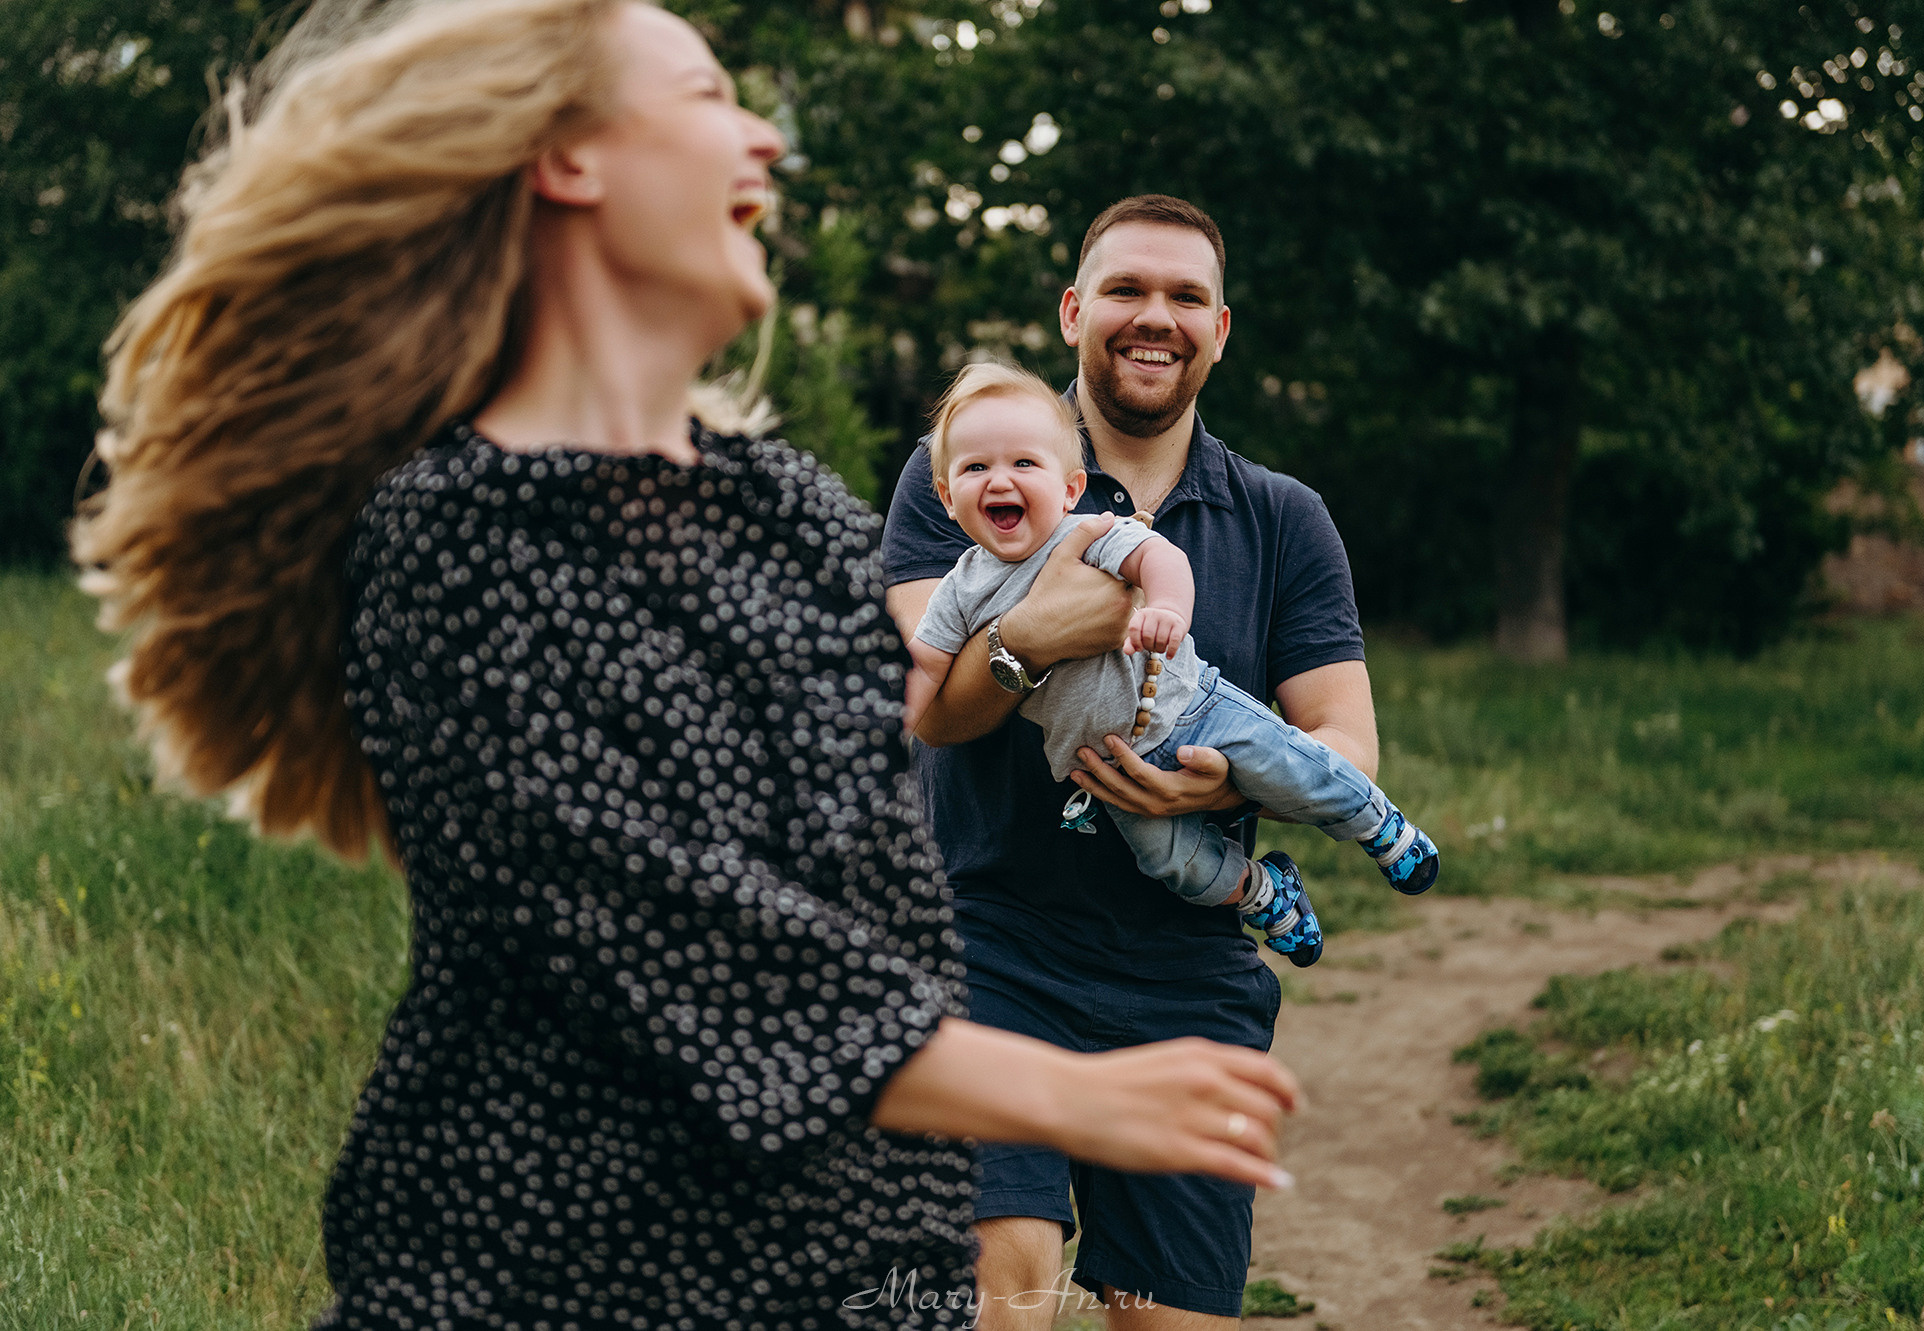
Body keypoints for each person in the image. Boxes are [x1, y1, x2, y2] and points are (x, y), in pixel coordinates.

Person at [71, 7, 1301, 1328]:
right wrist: (1066, 1087)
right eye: (708, 95)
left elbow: (879, 909)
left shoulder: (787, 510)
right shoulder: (461, 535)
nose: (764, 134)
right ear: (568, 159)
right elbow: (668, 928)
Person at [884, 197, 1378, 1327]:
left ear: (1218, 328)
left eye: (1182, 297)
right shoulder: (970, 468)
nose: (1151, 317)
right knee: (996, 1300)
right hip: (980, 934)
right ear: (1071, 311)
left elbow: (1345, 744)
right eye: (1123, 290)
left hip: (1184, 969)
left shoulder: (1283, 519)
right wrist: (1037, 631)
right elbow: (933, 711)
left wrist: (1230, 776)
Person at [902, 363, 1438, 969]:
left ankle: (1380, 826)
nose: (1000, 479)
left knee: (1289, 763)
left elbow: (1159, 556)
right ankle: (1263, 893)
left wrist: (1166, 609)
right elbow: (924, 664)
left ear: (1070, 487)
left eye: (1024, 465)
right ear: (946, 497)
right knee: (1172, 863)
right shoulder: (960, 588)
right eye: (976, 469)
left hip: (1191, 712)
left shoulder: (1085, 534)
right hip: (1110, 768)